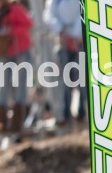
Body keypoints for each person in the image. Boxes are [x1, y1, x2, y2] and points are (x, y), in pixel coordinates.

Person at [0, 0, 32, 134]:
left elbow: (28, 24)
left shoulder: (14, 9)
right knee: (2, 87)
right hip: (2, 54)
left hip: (20, 50)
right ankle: (2, 124)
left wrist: (10, 30)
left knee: (20, 87)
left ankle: (17, 124)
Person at [44, 0, 85, 128]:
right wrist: (61, 30)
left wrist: (75, 33)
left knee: (81, 78)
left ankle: (81, 111)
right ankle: (65, 112)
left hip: (79, 40)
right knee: (64, 79)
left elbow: (83, 12)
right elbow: (49, 15)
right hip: (62, 41)